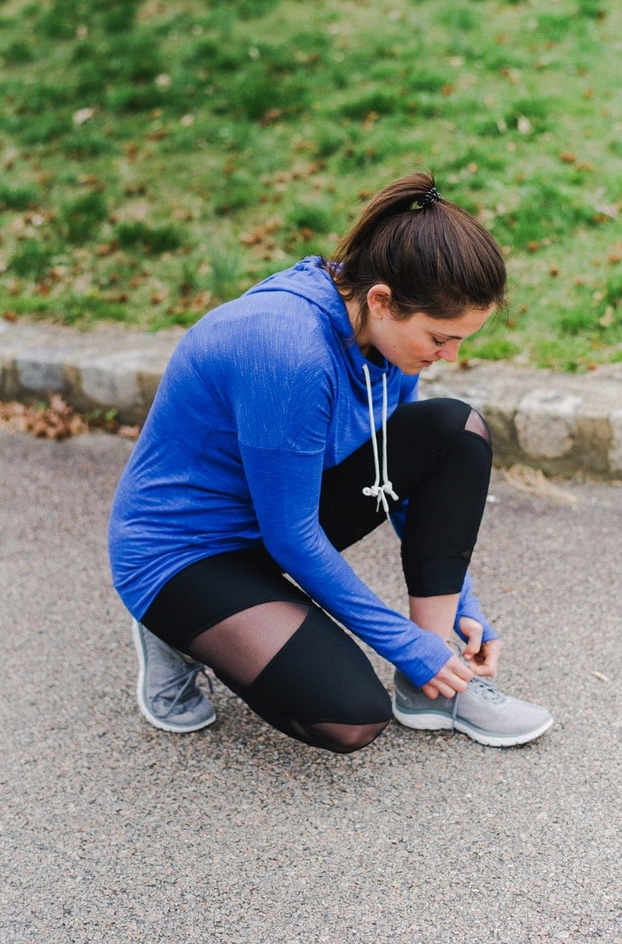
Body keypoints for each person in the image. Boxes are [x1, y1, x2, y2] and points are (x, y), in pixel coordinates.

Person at [108, 172, 553, 753]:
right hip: (187, 551)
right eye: (441, 337)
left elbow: (401, 472)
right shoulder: (285, 351)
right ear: (381, 300)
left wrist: (455, 612)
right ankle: (181, 629)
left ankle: (438, 689)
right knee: (350, 718)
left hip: (278, 516)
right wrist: (403, 644)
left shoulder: (381, 335)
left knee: (454, 431)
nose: (450, 355)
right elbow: (292, 536)